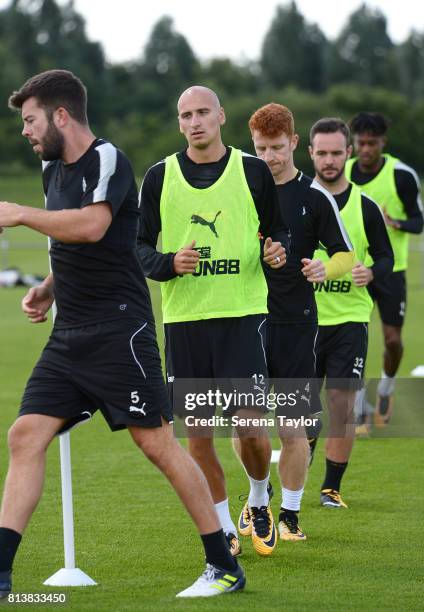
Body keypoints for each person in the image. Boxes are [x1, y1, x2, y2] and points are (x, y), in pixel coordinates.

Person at [0, 70, 245, 600]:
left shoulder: (109, 160)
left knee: (155, 442)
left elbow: (92, 225)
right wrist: (48, 287)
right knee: (24, 435)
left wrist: (18, 214)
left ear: (61, 115)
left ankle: (222, 563)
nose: (26, 131)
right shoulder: (50, 168)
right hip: (69, 337)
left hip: (119, 330)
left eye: (31, 119)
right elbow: (73, 244)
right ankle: (1, 574)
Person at [138, 86, 288, 559]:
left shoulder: (253, 170)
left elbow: (277, 229)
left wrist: (276, 249)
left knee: (249, 427)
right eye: (186, 114)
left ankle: (260, 499)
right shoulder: (159, 176)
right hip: (185, 320)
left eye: (203, 111)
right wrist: (167, 263)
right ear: (179, 122)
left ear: (221, 115)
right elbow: (139, 247)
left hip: (242, 314)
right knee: (198, 434)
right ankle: (222, 525)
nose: (195, 121)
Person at [238, 103, 354, 541]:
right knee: (245, 422)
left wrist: (326, 267)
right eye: (261, 148)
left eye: (277, 147)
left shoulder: (314, 197)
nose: (269, 156)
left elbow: (344, 253)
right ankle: (255, 500)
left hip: (296, 323)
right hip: (245, 320)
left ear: (294, 143)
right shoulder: (243, 189)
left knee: (293, 426)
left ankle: (289, 514)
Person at [309, 118, 394, 507]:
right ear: (309, 152)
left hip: (349, 321)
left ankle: (331, 488)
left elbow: (387, 257)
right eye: (321, 153)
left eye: (336, 153)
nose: (329, 160)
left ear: (349, 153)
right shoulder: (296, 200)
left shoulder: (366, 206)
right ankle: (295, 478)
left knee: (342, 405)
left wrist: (371, 270)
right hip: (303, 322)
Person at [346, 112, 423, 427]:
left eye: (372, 144)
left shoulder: (401, 176)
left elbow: (419, 221)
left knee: (392, 340)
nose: (365, 150)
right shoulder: (343, 170)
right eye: (361, 143)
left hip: (392, 270)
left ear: (383, 143)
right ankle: (359, 402)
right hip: (353, 269)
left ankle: (387, 388)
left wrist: (397, 223)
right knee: (352, 339)